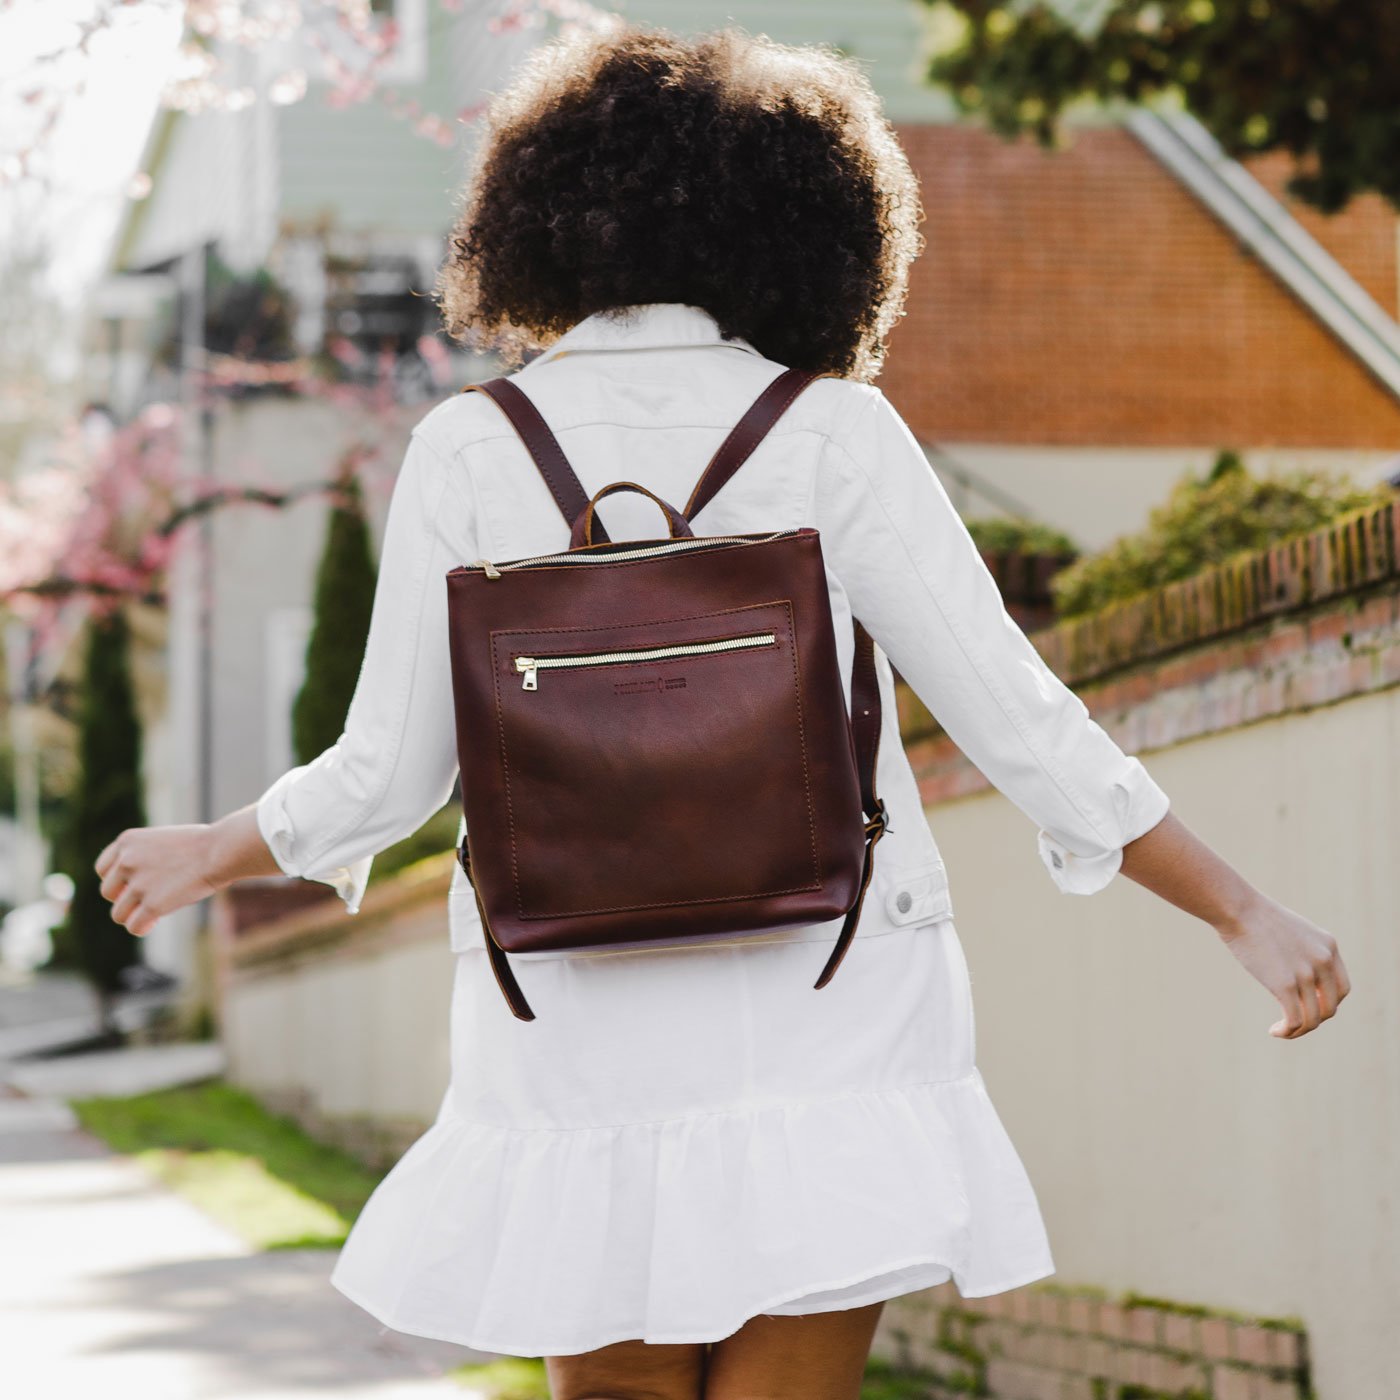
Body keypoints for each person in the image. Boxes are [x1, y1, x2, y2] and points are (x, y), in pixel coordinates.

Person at [95, 23, 1350, 1400]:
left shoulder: (470, 446)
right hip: (832, 1005)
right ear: (812, 227)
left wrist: (217, 845)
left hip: (568, 1025)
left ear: (540, 218)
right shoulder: (830, 432)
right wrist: (1242, 910)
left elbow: (392, 772)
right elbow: (1020, 717)